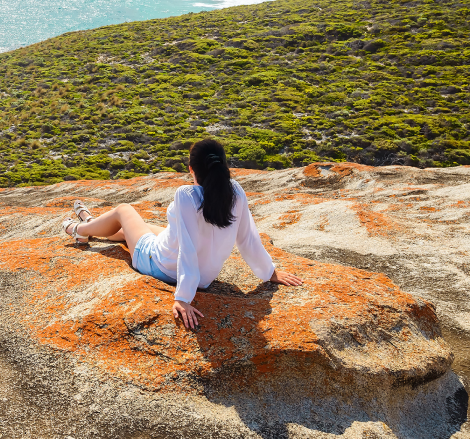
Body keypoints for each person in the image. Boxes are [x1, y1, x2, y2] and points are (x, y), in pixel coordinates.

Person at [61, 139, 303, 330]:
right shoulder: (236, 193)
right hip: (204, 277)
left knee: (124, 211)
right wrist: (269, 272)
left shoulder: (186, 195)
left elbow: (187, 248)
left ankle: (80, 230)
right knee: (137, 231)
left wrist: (184, 297)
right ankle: (93, 225)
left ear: (191, 169)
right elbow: (248, 238)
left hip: (160, 265)